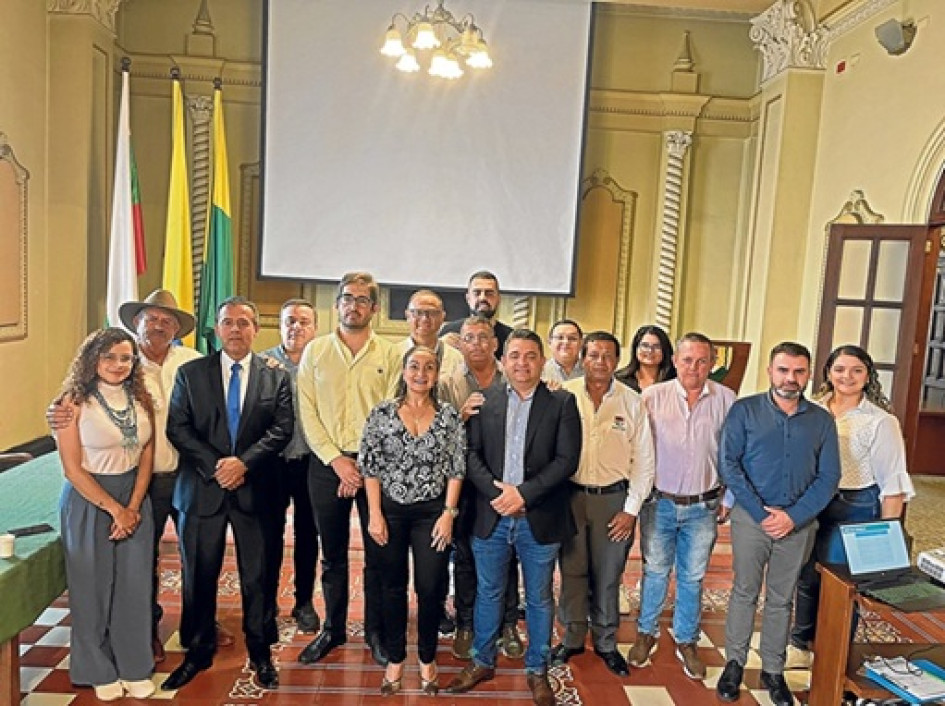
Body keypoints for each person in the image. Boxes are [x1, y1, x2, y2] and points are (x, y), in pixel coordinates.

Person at [48, 289, 206, 663]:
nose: (159, 325)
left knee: (195, 553)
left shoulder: (194, 361)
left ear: (177, 329)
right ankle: (144, 630)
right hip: (140, 479)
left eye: (168, 321)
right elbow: (73, 406)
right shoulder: (121, 363)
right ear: (136, 322)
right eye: (152, 318)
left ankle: (198, 626)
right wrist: (54, 415)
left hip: (186, 475)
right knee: (140, 562)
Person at [163, 297, 294, 691]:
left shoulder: (276, 376)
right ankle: (198, 651)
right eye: (228, 323)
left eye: (244, 323)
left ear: (256, 329)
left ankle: (260, 651)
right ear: (217, 329)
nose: (236, 330)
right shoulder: (191, 373)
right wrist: (219, 465)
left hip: (257, 490)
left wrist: (244, 464)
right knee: (199, 574)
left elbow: (282, 428)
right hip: (203, 489)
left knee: (259, 575)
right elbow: (178, 427)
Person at [446, 329, 582, 706]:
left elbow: (566, 461)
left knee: (538, 597)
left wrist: (523, 494)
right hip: (492, 516)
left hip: (540, 517)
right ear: (503, 360)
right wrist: (498, 495)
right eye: (515, 355)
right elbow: (469, 454)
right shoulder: (482, 402)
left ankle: (537, 670)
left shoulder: (562, 403)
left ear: (542, 361)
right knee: (488, 592)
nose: (522, 363)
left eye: (531, 355)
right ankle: (482, 661)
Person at [717, 342, 840, 706]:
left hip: (798, 524)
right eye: (784, 370)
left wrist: (793, 516)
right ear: (770, 371)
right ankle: (734, 664)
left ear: (808, 374)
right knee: (744, 591)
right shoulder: (744, 411)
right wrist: (761, 513)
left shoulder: (821, 421)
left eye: (799, 371)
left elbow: (829, 476)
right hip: (751, 519)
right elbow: (729, 465)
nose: (791, 378)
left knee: (781, 599)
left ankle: (773, 670)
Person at [786, 344, 914, 669]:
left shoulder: (880, 422)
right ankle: (799, 644)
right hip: (813, 503)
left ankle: (834, 652)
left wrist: (889, 536)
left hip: (854, 506)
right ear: (828, 371)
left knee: (841, 584)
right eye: (840, 369)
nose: (847, 377)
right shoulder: (810, 409)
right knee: (805, 575)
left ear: (868, 375)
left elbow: (892, 482)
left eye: (857, 370)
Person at [296, 272, 402, 666]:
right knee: (332, 555)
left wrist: (362, 465)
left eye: (362, 299)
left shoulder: (391, 354)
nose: (353, 305)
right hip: (327, 465)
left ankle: (375, 632)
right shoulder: (316, 351)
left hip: (377, 467)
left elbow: (393, 411)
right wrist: (337, 461)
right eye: (347, 298)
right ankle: (332, 629)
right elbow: (307, 411)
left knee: (379, 553)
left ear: (374, 308)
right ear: (337, 304)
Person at [55, 327, 156, 700]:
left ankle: (134, 664)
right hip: (90, 499)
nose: (118, 364)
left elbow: (146, 454)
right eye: (109, 357)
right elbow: (72, 468)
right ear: (92, 359)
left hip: (133, 498)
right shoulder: (71, 403)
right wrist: (114, 509)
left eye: (126, 358)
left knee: (133, 585)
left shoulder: (141, 398)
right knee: (92, 587)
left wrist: (131, 507)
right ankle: (96, 667)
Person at [628, 333, 735, 680]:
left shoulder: (727, 400)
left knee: (692, 577)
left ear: (712, 364)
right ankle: (646, 633)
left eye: (702, 361)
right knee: (655, 572)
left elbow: (736, 454)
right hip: (659, 503)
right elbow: (637, 451)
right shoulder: (651, 398)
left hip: (702, 507)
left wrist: (729, 498)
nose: (694, 367)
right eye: (687, 360)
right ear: (675, 361)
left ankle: (687, 639)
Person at [362, 346, 466, 695]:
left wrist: (448, 515)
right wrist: (374, 514)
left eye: (429, 367)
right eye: (415, 366)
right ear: (403, 372)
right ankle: (394, 658)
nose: (421, 373)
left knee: (430, 586)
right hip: (389, 510)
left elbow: (456, 469)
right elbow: (370, 468)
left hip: (432, 513)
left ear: (437, 375)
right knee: (392, 587)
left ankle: (426, 657)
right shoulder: (381, 414)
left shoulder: (449, 416)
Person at [552, 331, 655, 677]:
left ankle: (607, 642)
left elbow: (644, 462)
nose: (600, 362)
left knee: (609, 575)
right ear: (582, 358)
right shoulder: (564, 395)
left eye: (608, 356)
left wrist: (630, 509)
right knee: (572, 571)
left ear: (617, 360)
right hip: (570, 497)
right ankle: (573, 637)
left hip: (614, 500)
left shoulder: (632, 401)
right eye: (593, 355)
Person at [440, 315, 524, 661]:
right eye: (469, 338)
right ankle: (465, 623)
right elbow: (438, 434)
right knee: (464, 558)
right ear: (460, 343)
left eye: (483, 338)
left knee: (508, 555)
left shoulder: (513, 378)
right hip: (464, 485)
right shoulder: (447, 382)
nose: (476, 343)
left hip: (505, 484)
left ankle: (507, 624)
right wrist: (461, 416)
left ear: (495, 344)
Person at [259, 299, 321, 634]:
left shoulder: (322, 363)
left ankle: (304, 602)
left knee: (308, 536)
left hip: (311, 462)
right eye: (290, 321)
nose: (296, 327)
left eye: (303, 322)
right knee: (269, 536)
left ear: (315, 328)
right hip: (272, 464)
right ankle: (267, 603)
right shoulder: (261, 364)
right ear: (281, 325)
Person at [440, 270, 513, 359]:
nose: (482, 298)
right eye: (477, 293)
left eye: (489, 293)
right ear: (468, 298)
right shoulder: (449, 331)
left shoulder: (510, 337)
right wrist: (441, 347)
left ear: (498, 299)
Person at [400, 289, 464, 380]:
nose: (425, 318)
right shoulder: (393, 355)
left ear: (442, 317)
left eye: (432, 313)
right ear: (407, 316)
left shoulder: (457, 359)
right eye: (418, 312)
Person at [615, 324, 676, 392]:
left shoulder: (675, 382)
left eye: (657, 346)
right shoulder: (618, 380)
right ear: (635, 348)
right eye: (645, 345)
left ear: (665, 350)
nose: (650, 351)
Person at [542, 319, 584, 383]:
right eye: (560, 337)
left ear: (581, 343)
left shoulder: (591, 371)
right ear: (549, 343)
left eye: (572, 338)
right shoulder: (539, 372)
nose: (566, 342)